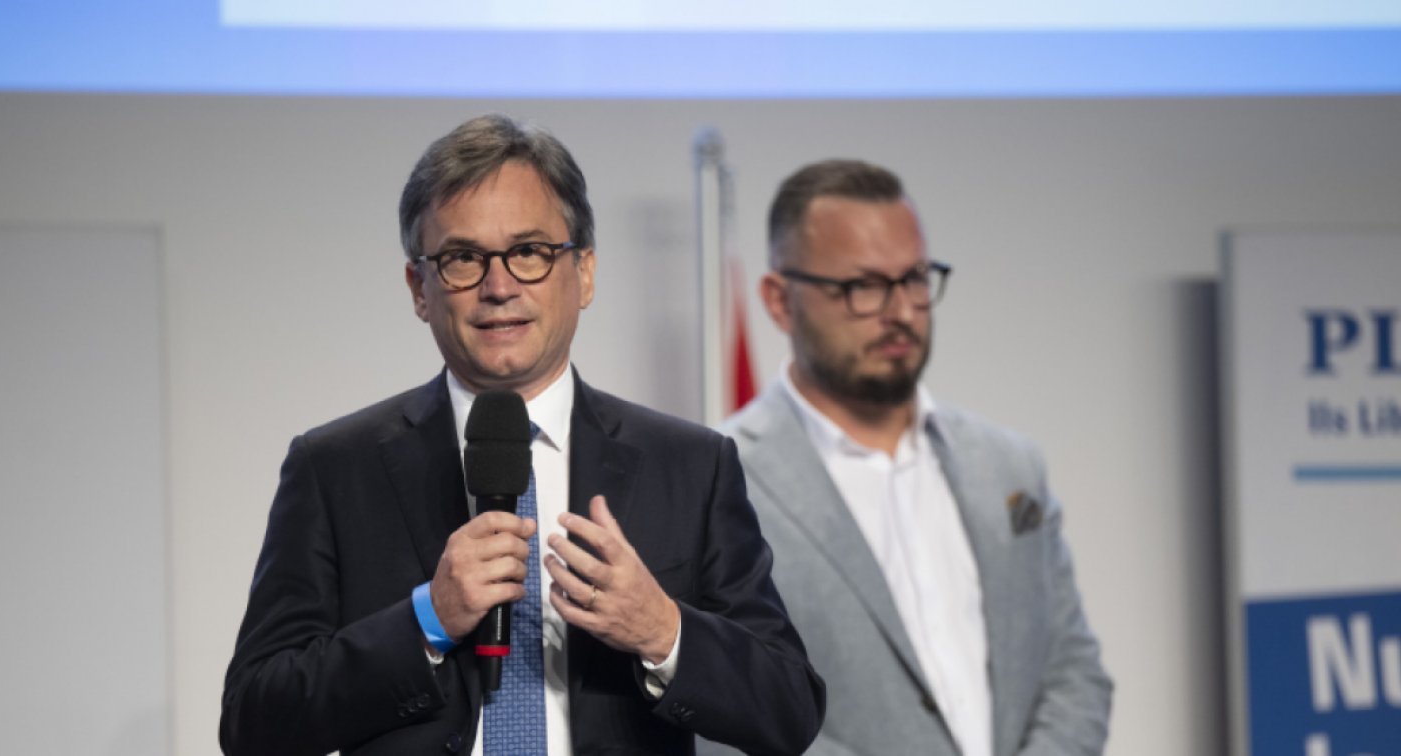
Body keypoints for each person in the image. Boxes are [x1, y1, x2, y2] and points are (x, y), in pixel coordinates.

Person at [220, 114, 824, 756]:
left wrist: (661, 630)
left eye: (530, 252)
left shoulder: (691, 465)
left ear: (584, 273)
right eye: (463, 258)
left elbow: (789, 710)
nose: (499, 286)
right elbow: (254, 723)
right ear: (420, 288)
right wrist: (427, 619)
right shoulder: (335, 468)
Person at [717, 159, 1112, 755]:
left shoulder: (1009, 465)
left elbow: (1073, 672)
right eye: (864, 287)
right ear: (780, 301)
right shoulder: (720, 484)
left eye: (915, 279)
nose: (901, 311)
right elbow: (730, 714)